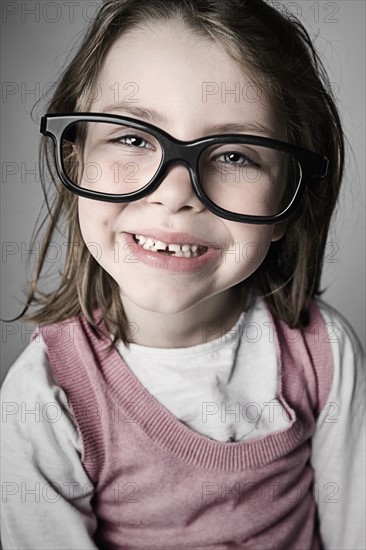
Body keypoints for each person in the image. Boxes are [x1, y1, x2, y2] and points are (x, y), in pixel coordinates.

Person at [1, 0, 365, 548]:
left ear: (289, 200)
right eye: (131, 137)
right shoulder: (46, 398)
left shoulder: (324, 353)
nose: (175, 192)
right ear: (75, 159)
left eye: (236, 155)